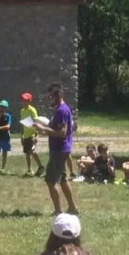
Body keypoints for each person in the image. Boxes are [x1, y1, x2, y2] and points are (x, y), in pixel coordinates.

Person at [33, 83, 77, 215]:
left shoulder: (61, 111)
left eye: (51, 96)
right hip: (60, 149)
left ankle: (58, 211)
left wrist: (43, 128)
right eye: (49, 96)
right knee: (62, 179)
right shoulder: (60, 110)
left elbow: (62, 133)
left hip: (59, 150)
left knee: (50, 181)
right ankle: (72, 208)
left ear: (59, 95)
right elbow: (56, 130)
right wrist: (43, 130)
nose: (50, 99)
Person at [18, 92, 42, 176]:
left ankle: (41, 167)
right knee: (27, 153)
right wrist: (21, 135)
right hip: (26, 134)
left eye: (25, 100)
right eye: (22, 100)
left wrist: (37, 135)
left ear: (29, 101)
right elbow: (23, 123)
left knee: (32, 151)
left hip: (32, 134)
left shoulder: (32, 110)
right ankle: (29, 169)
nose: (23, 102)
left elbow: (36, 122)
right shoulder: (22, 111)